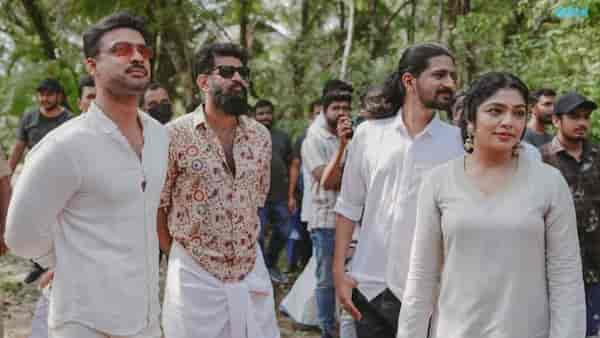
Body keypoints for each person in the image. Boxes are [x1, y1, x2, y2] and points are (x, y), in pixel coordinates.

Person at [5, 11, 169, 338]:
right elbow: (20, 237)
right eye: (121, 50)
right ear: (91, 66)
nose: (137, 56)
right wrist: (68, 259)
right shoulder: (64, 146)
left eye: (143, 51)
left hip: (146, 317)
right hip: (85, 321)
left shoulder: (159, 137)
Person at [396, 72, 585, 338]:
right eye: (495, 111)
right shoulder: (438, 182)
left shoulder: (549, 183)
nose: (508, 122)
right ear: (471, 120)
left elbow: (566, 278)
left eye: (519, 113)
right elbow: (421, 278)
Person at [334, 43, 463, 338]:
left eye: (453, 76)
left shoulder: (458, 143)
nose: (450, 84)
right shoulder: (368, 135)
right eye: (440, 75)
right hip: (369, 286)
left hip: (431, 293)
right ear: (409, 81)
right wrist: (339, 274)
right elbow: (348, 206)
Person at [158, 42, 280, 338]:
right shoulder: (173, 135)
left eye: (243, 72)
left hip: (250, 269)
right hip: (194, 275)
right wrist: (178, 257)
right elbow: (158, 207)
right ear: (203, 81)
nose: (238, 78)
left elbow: (255, 201)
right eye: (227, 71)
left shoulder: (260, 136)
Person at [540, 91, 600, 337]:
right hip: (557, 270)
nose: (582, 123)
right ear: (556, 120)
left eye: (586, 117)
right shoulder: (540, 158)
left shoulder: (598, 154)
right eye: (574, 117)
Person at [8, 78, 73, 284]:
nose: (44, 98)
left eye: (49, 94)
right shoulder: (29, 117)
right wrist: (7, 175)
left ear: (59, 96)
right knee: (35, 220)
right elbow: (19, 147)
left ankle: (59, 261)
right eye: (41, 94)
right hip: (33, 179)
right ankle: (38, 263)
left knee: (58, 222)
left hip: (61, 180)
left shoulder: (68, 119)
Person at [302, 88, 353, 338]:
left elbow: (364, 178)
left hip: (353, 221)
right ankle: (327, 329)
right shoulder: (314, 139)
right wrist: (342, 148)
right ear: (324, 110)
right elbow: (328, 180)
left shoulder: (357, 135)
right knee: (326, 279)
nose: (342, 113)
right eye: (336, 108)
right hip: (326, 220)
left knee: (350, 276)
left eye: (346, 108)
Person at [253, 99, 293, 283]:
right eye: (260, 114)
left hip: (280, 196)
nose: (264, 117)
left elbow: (292, 165)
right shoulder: (247, 136)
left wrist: (292, 195)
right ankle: (261, 271)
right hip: (257, 197)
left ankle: (271, 264)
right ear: (254, 116)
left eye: (267, 113)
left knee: (285, 231)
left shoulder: (282, 137)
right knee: (258, 236)